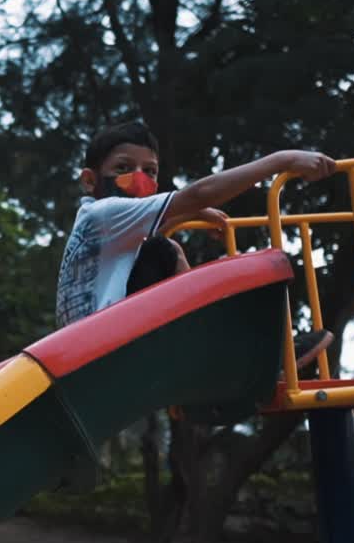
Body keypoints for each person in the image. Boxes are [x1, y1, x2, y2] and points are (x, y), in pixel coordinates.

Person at [55, 120, 334, 367]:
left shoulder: (95, 222)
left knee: (157, 247)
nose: (139, 178)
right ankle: (247, 354)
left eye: (150, 171)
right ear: (91, 181)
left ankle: (224, 354)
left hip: (84, 349)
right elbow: (200, 192)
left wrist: (193, 212)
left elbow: (175, 213)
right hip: (100, 350)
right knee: (165, 250)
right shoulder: (104, 212)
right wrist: (281, 161)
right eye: (123, 167)